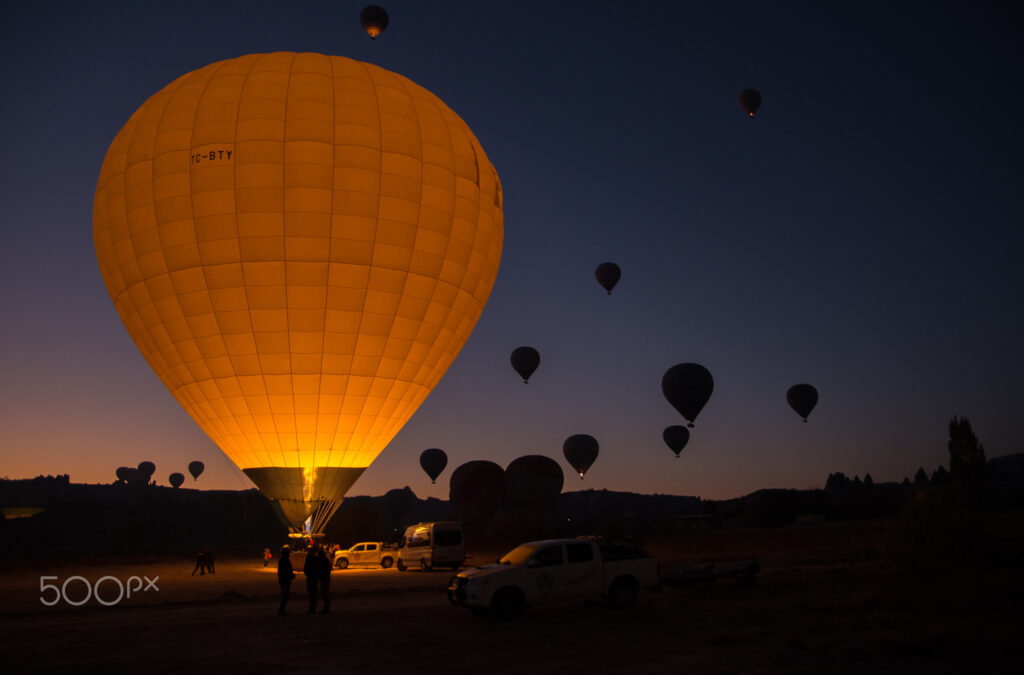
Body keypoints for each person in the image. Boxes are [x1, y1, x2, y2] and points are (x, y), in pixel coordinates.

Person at [277, 546, 295, 616]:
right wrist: (290, 575)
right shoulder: (284, 560)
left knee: (285, 595)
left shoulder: (283, 560)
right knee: (285, 595)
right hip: (285, 580)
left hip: (284, 579)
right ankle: (282, 610)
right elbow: (285, 571)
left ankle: (282, 609)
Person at [303, 545, 320, 614]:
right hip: (313, 577)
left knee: (312, 593)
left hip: (311, 577)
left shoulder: (310, 558)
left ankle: (312, 608)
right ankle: (313, 608)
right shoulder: (315, 558)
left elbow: (306, 568)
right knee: (313, 593)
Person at [317, 547, 332, 614]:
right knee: (325, 592)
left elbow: (322, 570)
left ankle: (326, 608)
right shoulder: (325, 560)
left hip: (324, 579)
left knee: (325, 593)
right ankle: (326, 607)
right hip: (326, 578)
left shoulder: (323, 561)